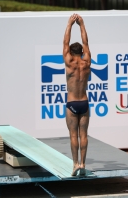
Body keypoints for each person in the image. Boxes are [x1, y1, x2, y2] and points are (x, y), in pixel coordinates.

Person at [63, 14, 91, 176]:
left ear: (70, 52)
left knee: (73, 135)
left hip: (72, 103)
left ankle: (75, 165)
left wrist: (69, 24)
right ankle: (83, 163)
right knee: (83, 135)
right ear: (81, 51)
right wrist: (81, 25)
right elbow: (86, 43)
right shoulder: (86, 61)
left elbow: (65, 43)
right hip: (84, 103)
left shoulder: (69, 62)